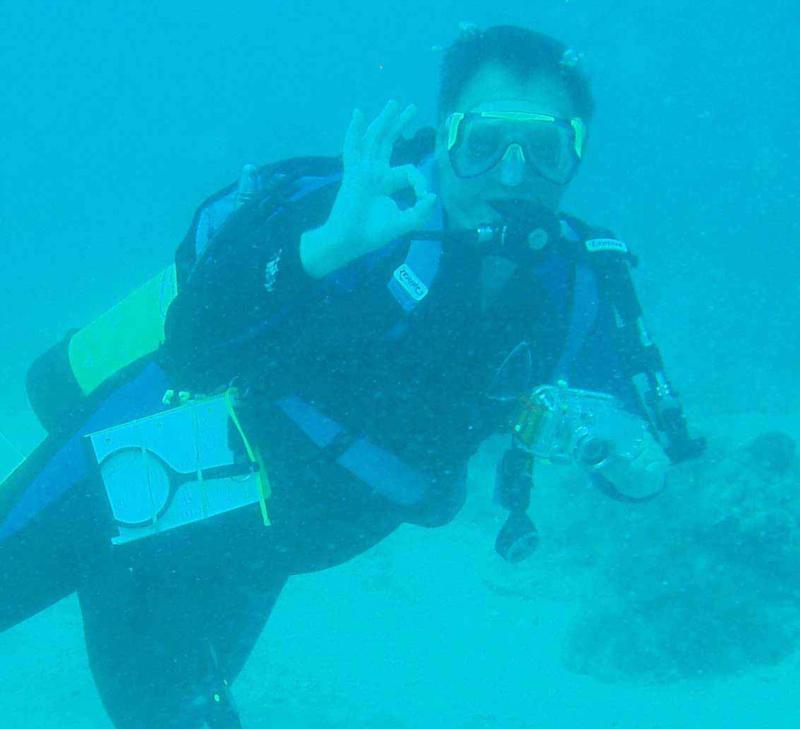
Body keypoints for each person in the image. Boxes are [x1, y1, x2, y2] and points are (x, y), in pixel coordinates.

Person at [0, 25, 703, 729]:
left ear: (575, 154)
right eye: (483, 142)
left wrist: (634, 460)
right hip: (149, 456)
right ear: (445, 133)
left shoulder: (575, 292)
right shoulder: (354, 207)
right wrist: (322, 249)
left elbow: (624, 457)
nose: (511, 175)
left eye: (545, 148)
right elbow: (191, 350)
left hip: (267, 540)